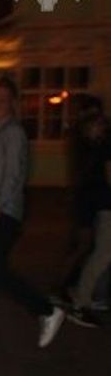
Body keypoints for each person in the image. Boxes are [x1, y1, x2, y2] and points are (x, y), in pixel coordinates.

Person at [0, 77, 65, 348]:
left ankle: (46, 310)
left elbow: (14, 174)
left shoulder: (13, 133)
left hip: (2, 212)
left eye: (3, 99)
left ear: (14, 102)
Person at [68, 114, 111, 327]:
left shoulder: (95, 147)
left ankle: (85, 294)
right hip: (101, 207)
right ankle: (80, 297)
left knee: (98, 252)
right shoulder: (99, 147)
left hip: (97, 206)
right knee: (99, 253)